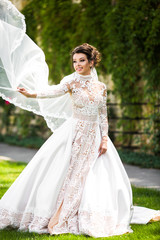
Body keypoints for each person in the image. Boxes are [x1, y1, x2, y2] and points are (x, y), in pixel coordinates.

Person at [0, 0, 159, 238]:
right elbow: (52, 90)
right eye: (75, 61)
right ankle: (55, 212)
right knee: (63, 173)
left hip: (94, 136)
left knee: (96, 177)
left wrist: (104, 139)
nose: (77, 65)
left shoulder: (101, 87)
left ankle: (91, 213)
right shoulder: (70, 81)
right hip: (74, 133)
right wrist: (31, 93)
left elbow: (102, 115)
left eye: (82, 61)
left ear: (92, 62)